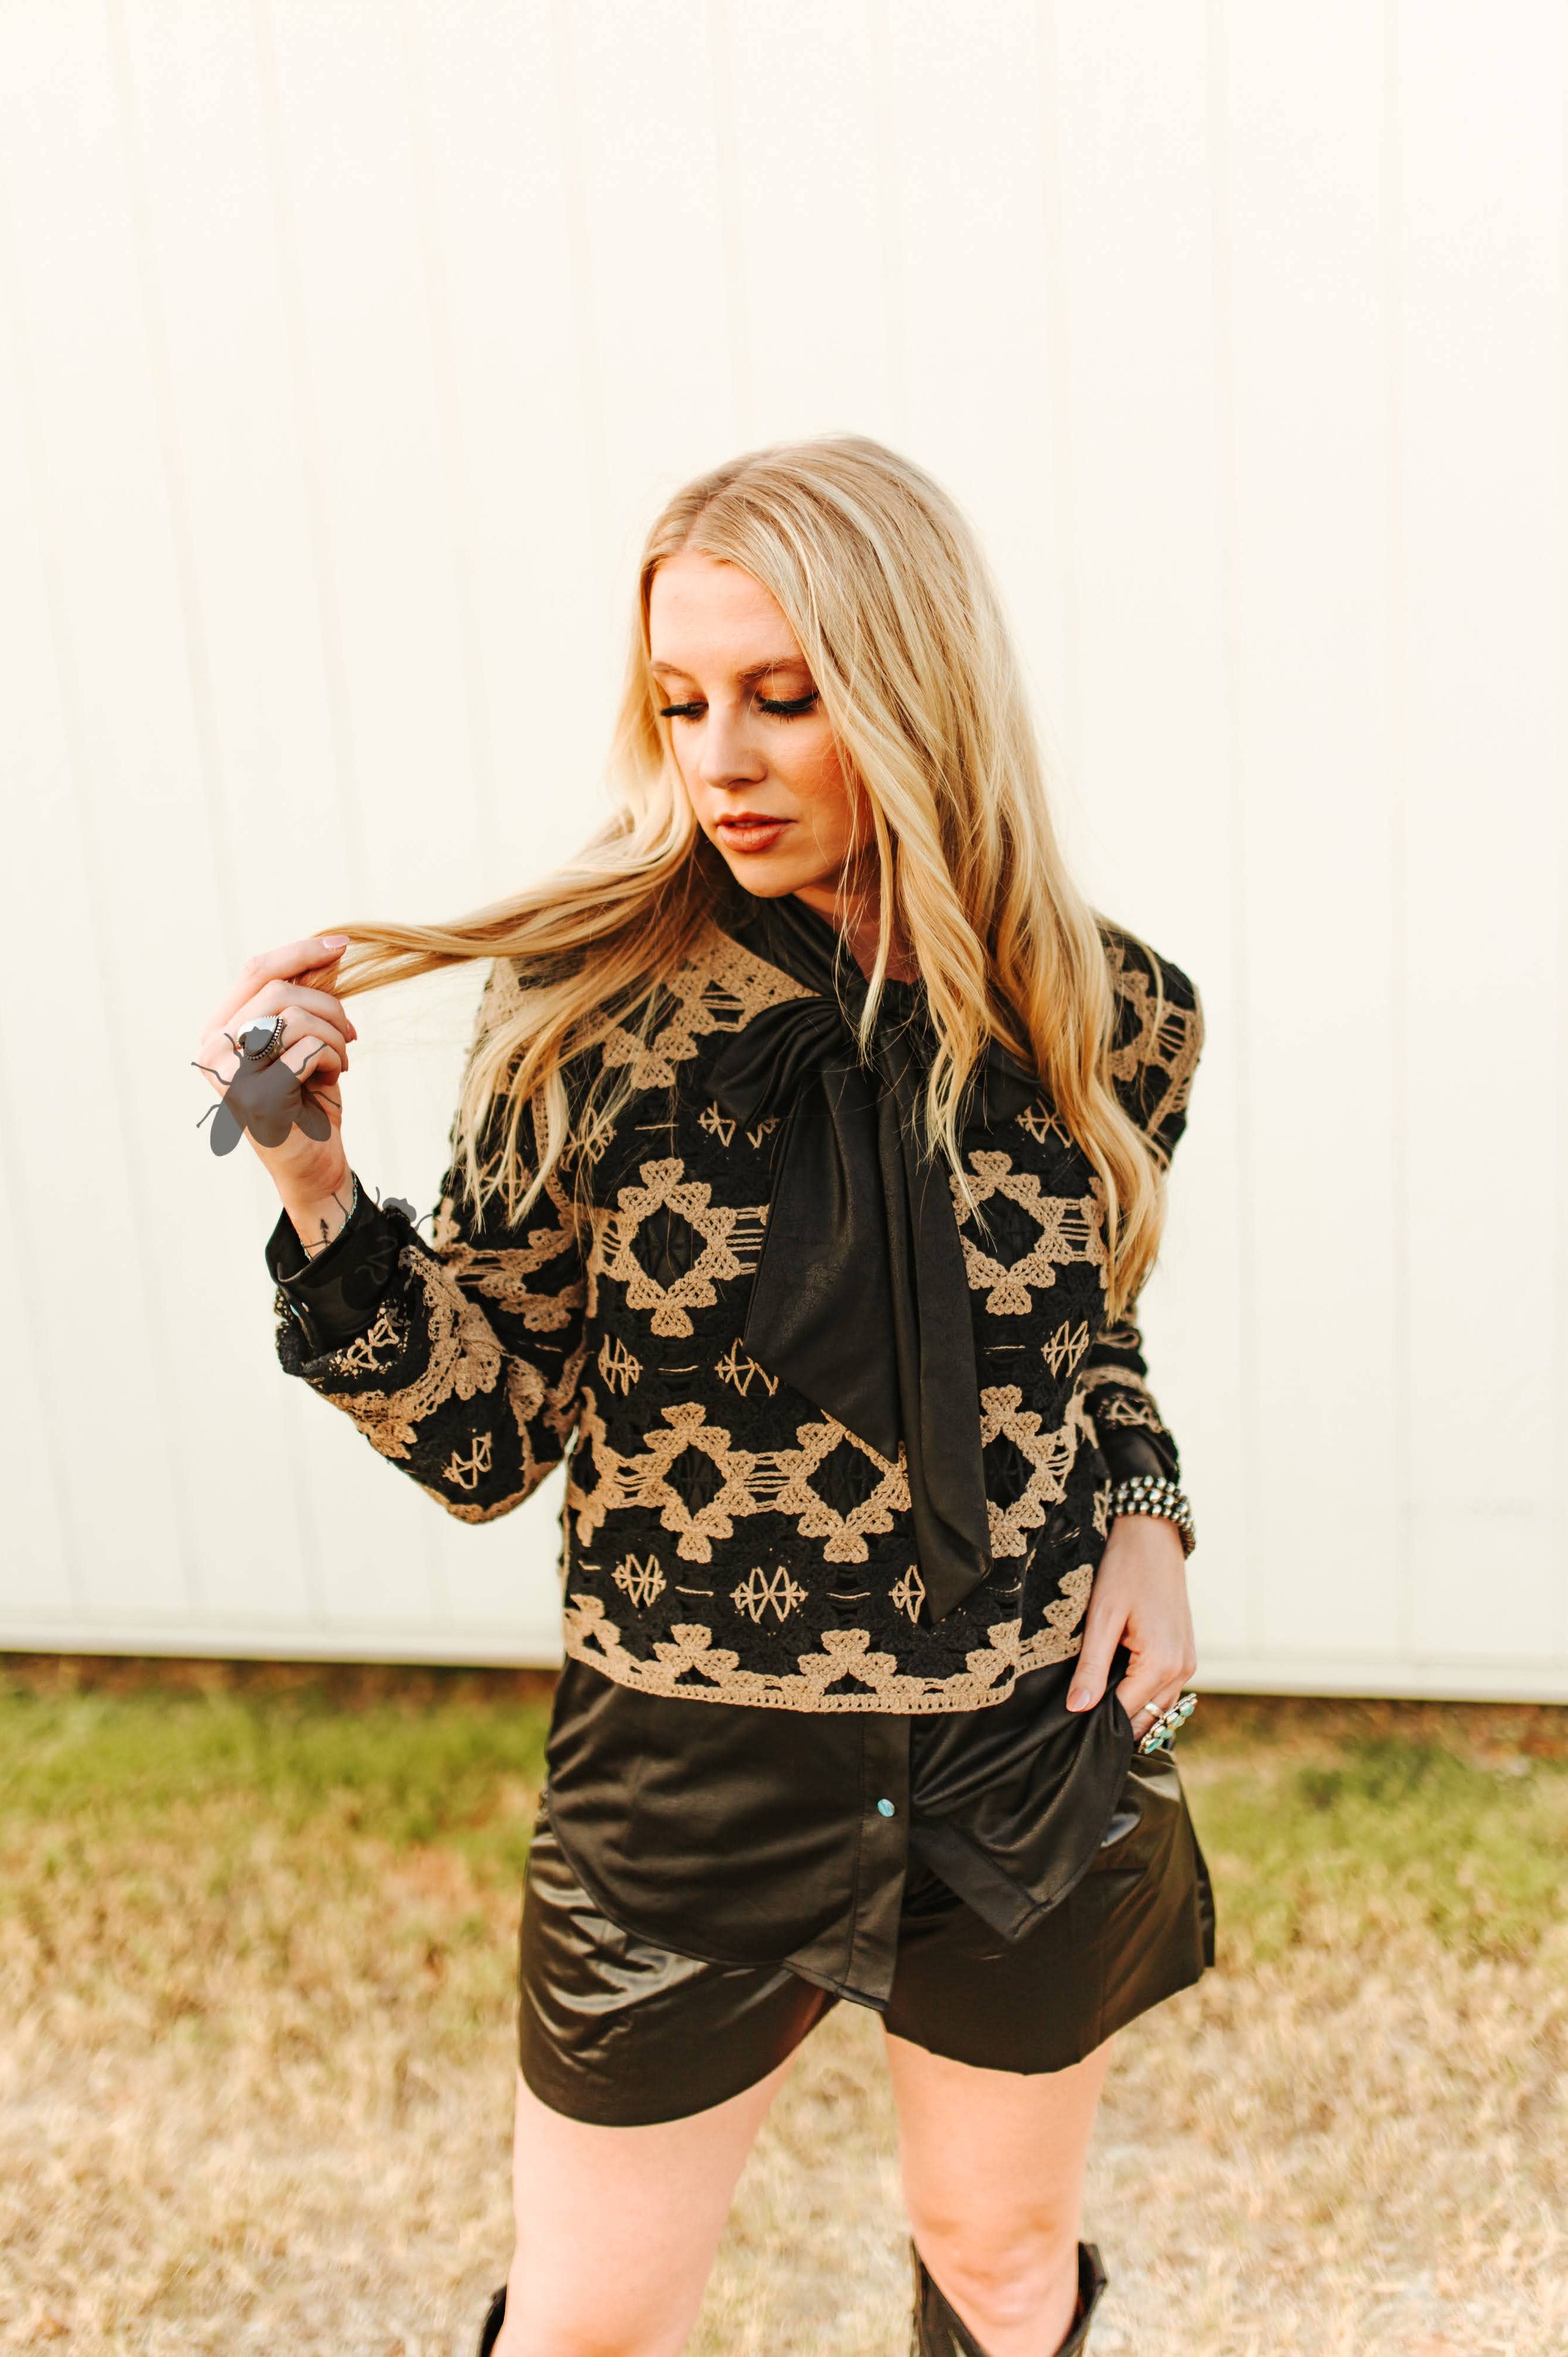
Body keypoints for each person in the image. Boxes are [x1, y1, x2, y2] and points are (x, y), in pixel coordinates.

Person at [196, 437, 1212, 2357]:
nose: (718, 759)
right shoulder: (577, 1015)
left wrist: (1147, 1506)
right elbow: (491, 1442)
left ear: (914, 692)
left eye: (783, 698)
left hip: (1020, 1744)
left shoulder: (1109, 1007)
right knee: (590, 2327)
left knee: (1003, 2268)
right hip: (688, 1774)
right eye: (680, 704)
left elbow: (1086, 1324)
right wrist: (321, 1194)